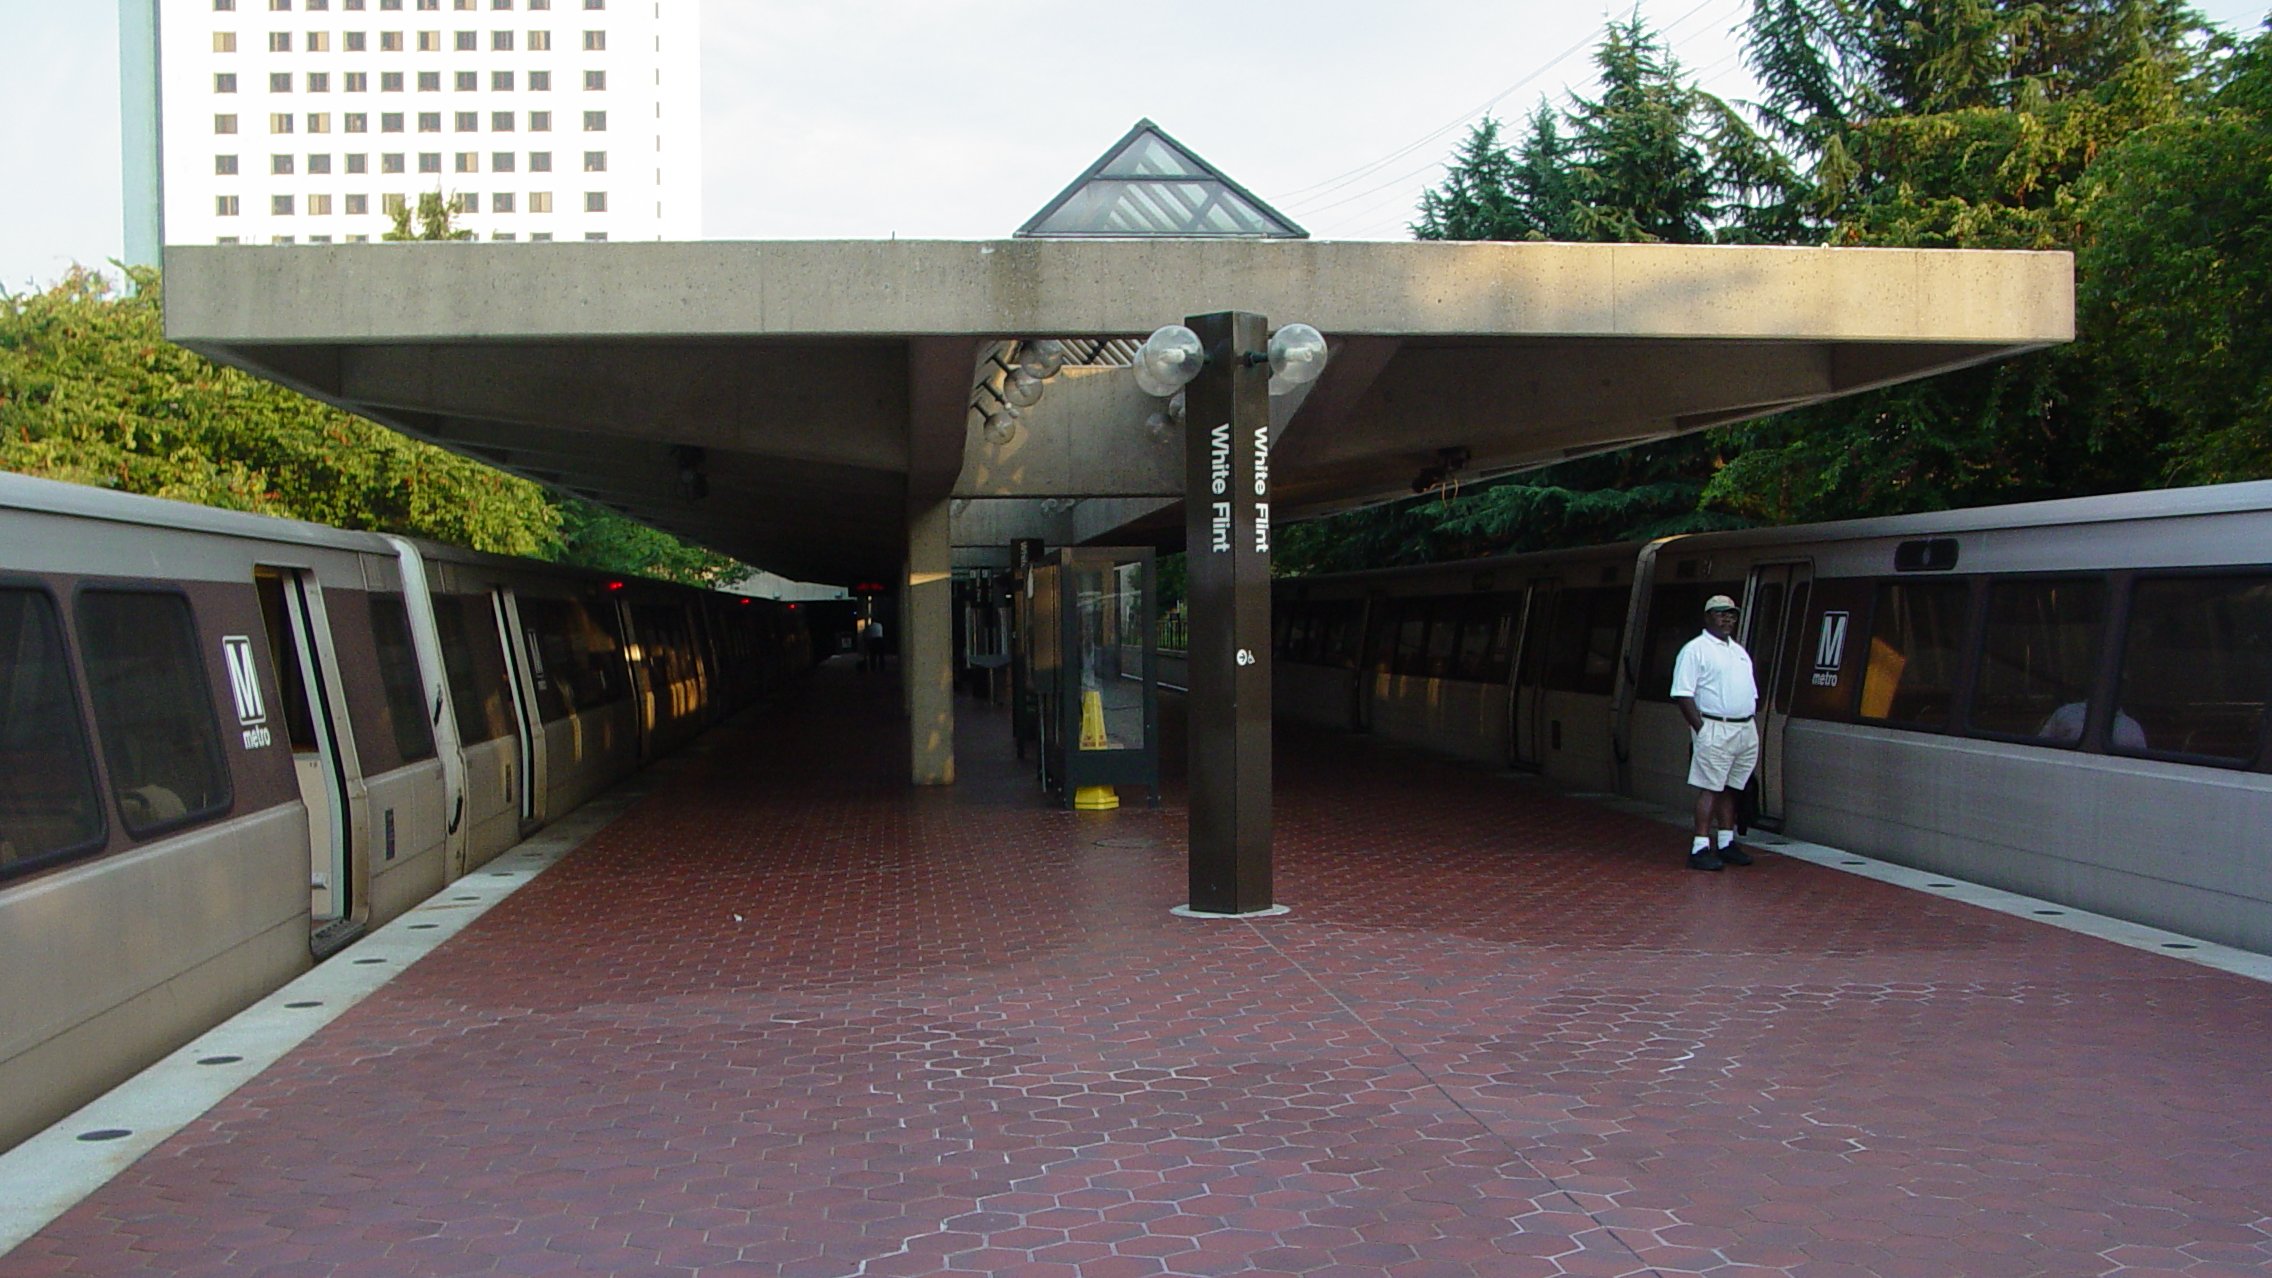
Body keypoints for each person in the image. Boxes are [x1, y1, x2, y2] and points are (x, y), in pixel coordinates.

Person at [1670, 594, 1759, 872]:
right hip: (1715, 727)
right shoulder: (1695, 650)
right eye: (1721, 614)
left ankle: (1725, 841)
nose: (1727, 619)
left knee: (1731, 786)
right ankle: (1699, 846)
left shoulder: (1738, 651)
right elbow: (1683, 694)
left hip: (1743, 727)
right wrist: (1702, 729)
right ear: (1708, 617)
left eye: (1731, 614)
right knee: (1710, 786)